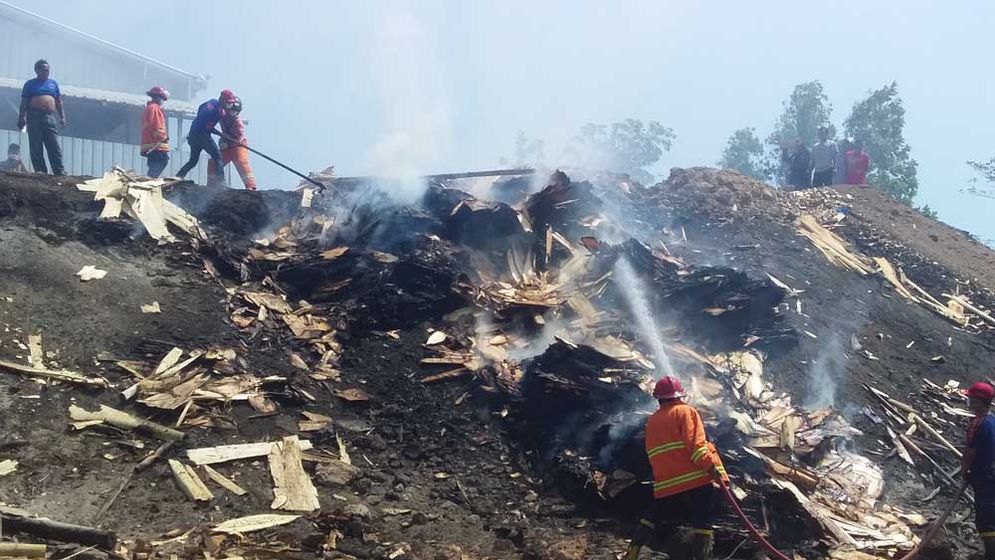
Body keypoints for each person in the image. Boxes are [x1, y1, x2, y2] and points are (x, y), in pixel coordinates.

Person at [623, 376, 728, 560]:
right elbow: (695, 446)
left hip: (666, 483)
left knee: (652, 516)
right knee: (703, 520)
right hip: (696, 478)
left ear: (659, 397)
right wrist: (711, 467)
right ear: (680, 395)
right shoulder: (686, 412)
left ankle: (632, 553)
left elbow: (653, 452)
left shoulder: (653, 421)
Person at [963, 382, 995, 560]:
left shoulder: (979, 423)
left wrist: (964, 472)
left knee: (986, 521)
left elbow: (969, 452)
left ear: (978, 402)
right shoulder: (993, 421)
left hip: (986, 479)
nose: (968, 402)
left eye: (971, 399)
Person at [16, 59, 65, 175]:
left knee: (53, 144)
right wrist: (21, 117)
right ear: (37, 70)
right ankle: (40, 170)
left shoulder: (53, 84)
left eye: (47, 70)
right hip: (34, 116)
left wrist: (62, 117)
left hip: (49, 117)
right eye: (43, 70)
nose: (46, 72)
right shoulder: (29, 84)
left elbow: (58, 101)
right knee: (36, 144)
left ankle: (59, 171)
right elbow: (24, 102)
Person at [177, 89, 237, 183]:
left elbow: (202, 114)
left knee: (193, 161)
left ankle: (178, 176)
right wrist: (220, 133)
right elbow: (208, 126)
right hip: (202, 136)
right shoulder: (219, 112)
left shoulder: (212, 102)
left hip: (194, 134)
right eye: (229, 103)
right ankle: (221, 183)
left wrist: (219, 133)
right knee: (218, 158)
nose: (230, 105)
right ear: (222, 100)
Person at [207, 96, 257, 190]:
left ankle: (251, 186)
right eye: (231, 110)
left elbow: (241, 136)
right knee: (213, 162)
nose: (232, 113)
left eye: (235, 111)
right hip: (227, 147)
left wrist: (232, 142)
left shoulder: (238, 123)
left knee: (241, 162)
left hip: (239, 146)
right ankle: (211, 185)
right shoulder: (221, 117)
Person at [141, 86, 171, 178]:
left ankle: (150, 181)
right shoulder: (154, 108)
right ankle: (149, 183)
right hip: (156, 144)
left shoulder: (150, 108)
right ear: (158, 97)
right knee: (162, 162)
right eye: (162, 99)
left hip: (151, 144)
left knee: (154, 166)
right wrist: (163, 138)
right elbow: (156, 125)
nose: (163, 101)